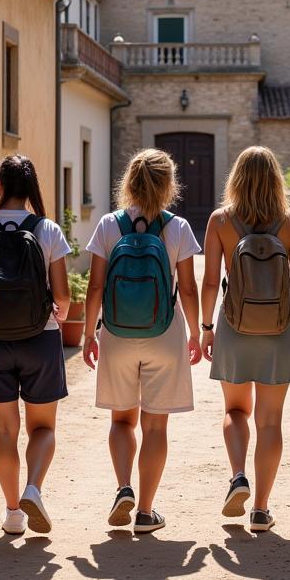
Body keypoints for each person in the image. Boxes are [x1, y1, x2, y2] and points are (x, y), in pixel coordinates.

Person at [201, 146, 290, 533]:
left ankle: (238, 475)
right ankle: (260, 509)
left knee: (235, 411)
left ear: (235, 178)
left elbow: (208, 282)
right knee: (270, 421)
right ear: (276, 179)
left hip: (234, 329)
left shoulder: (220, 220)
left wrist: (206, 328)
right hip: (278, 330)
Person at [83, 148, 202, 534]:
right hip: (164, 333)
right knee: (155, 428)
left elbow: (96, 284)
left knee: (121, 420)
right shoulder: (178, 228)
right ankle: (147, 512)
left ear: (129, 182)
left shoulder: (107, 225)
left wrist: (88, 333)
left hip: (116, 333)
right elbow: (187, 287)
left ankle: (123, 488)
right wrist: (196, 331)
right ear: (169, 185)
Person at [0, 155, 72, 536]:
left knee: (4, 431)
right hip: (41, 338)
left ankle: (11, 514)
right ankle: (34, 489)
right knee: (43, 428)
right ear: (32, 189)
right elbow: (64, 297)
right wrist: (58, 319)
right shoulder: (48, 230)